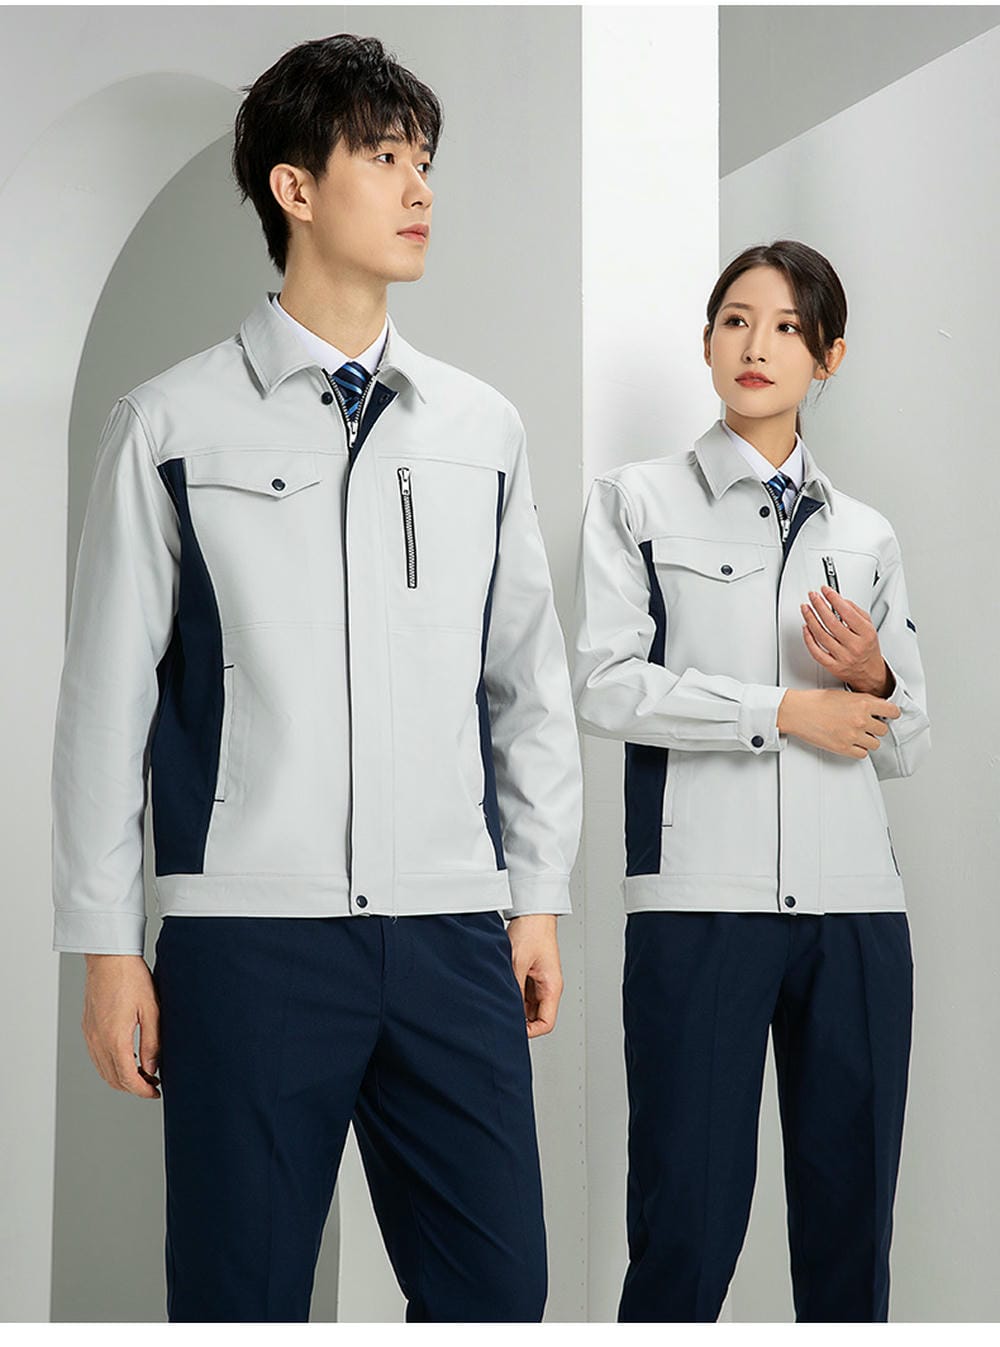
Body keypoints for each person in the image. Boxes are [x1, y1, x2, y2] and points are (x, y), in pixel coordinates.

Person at [51, 34, 581, 1324]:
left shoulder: (480, 428)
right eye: (384, 158)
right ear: (294, 188)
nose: (419, 189)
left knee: (498, 1295)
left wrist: (536, 894)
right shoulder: (169, 424)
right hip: (249, 942)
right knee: (240, 1301)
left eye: (424, 160)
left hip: (451, 929)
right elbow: (104, 706)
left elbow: (526, 678)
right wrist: (105, 947)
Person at [572, 240, 930, 1323]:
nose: (755, 345)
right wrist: (783, 709)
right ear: (706, 342)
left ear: (829, 357)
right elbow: (606, 687)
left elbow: (907, 738)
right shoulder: (634, 502)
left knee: (850, 1240)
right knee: (684, 1232)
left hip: (855, 915)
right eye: (735, 320)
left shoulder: (865, 533)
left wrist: (871, 677)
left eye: (785, 326)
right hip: (700, 911)